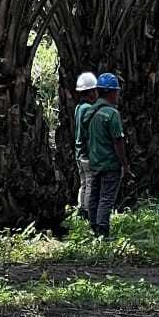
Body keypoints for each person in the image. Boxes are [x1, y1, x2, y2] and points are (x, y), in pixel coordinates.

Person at [83, 72, 130, 237]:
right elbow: (118, 142)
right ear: (111, 92)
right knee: (106, 199)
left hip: (94, 162)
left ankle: (93, 227)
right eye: (116, 91)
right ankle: (102, 231)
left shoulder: (90, 112)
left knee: (94, 197)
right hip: (110, 163)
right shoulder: (112, 114)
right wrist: (124, 165)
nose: (118, 95)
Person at [72, 71, 99, 220]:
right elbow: (90, 133)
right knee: (90, 183)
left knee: (84, 183)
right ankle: (89, 213)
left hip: (79, 152)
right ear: (90, 92)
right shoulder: (88, 108)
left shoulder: (79, 107)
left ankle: (82, 210)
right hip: (87, 153)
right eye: (95, 91)